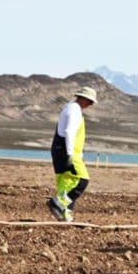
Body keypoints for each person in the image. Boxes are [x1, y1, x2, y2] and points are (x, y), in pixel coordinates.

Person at [47, 86, 97, 222]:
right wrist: (70, 154)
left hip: (61, 149)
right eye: (90, 101)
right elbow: (69, 132)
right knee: (82, 180)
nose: (90, 104)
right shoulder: (74, 110)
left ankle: (65, 214)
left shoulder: (70, 107)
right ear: (83, 98)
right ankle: (57, 203)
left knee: (67, 183)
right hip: (67, 151)